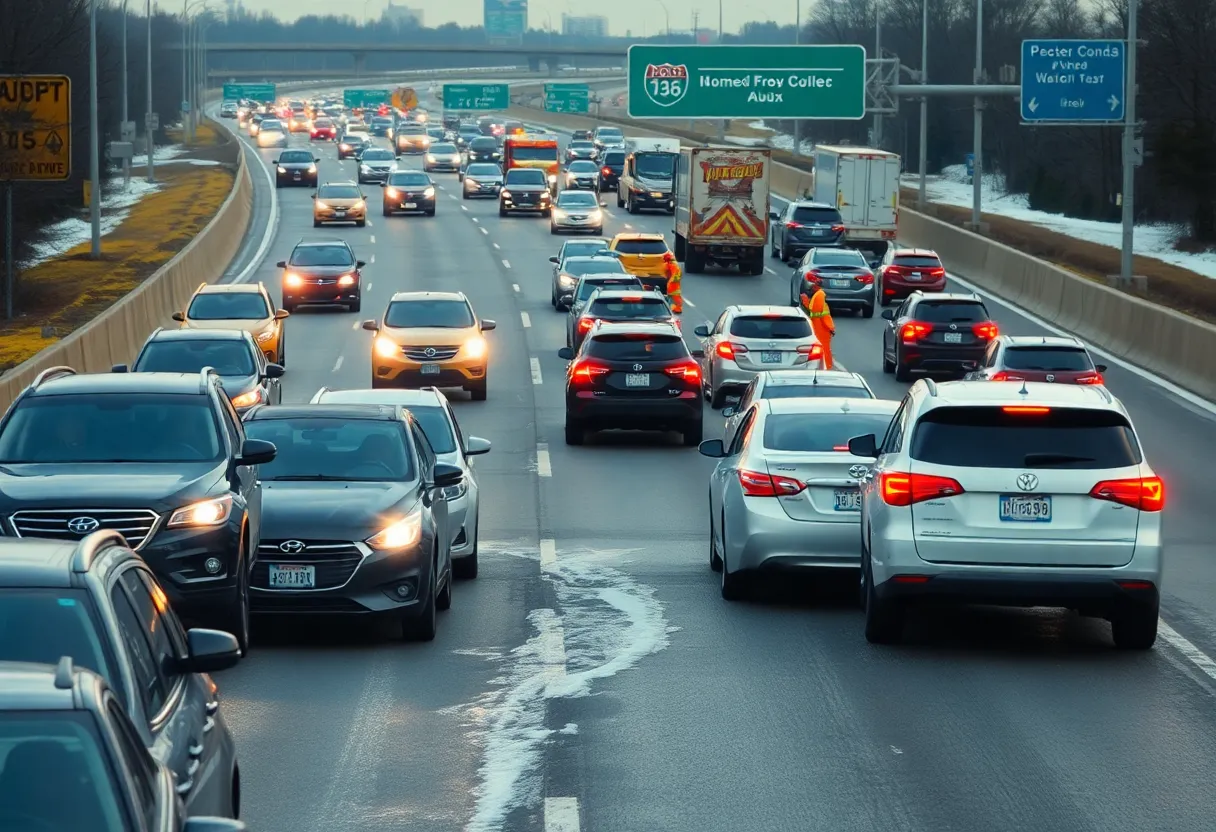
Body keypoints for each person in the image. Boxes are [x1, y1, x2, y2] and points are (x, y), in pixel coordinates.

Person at [800, 280, 836, 370]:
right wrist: (806, 301)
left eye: (812, 287)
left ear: (816, 286)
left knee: (823, 349)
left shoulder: (819, 295)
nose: (811, 289)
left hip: (821, 328)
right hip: (819, 328)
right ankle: (825, 367)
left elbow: (821, 314)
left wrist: (830, 327)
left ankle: (826, 367)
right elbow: (815, 311)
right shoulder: (818, 295)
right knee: (822, 349)